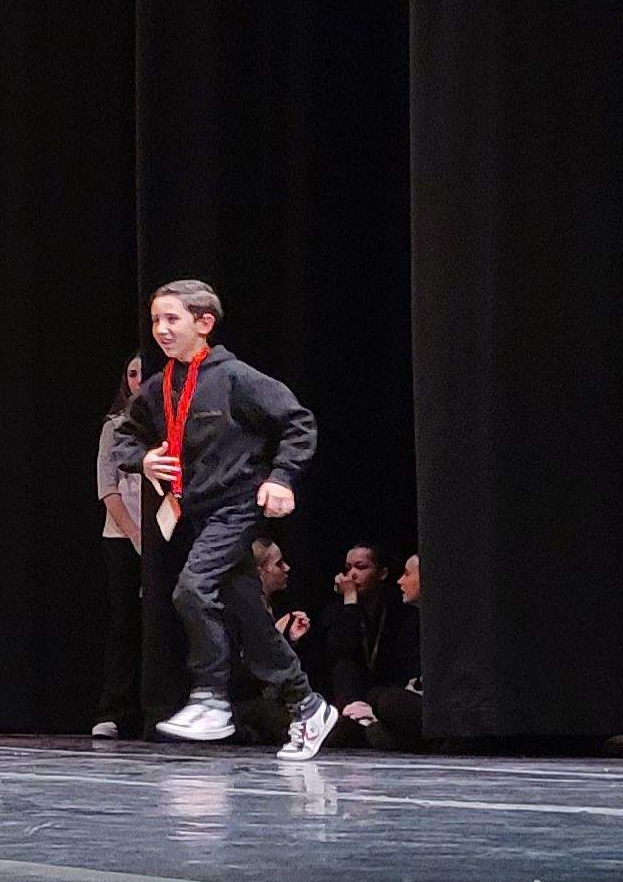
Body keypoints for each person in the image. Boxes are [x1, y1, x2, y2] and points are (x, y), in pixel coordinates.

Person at [102, 280, 340, 751]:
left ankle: (210, 697)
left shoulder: (235, 378)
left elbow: (298, 421)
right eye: (156, 320)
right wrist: (144, 458)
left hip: (235, 507)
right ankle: (306, 703)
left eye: (172, 319)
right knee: (250, 615)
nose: (162, 329)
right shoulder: (161, 385)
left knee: (191, 590)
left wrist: (282, 477)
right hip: (197, 514)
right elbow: (126, 435)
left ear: (203, 323)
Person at [89, 353, 151, 738]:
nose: (137, 380)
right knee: (124, 624)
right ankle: (113, 711)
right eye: (131, 373)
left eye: (144, 373)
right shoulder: (115, 426)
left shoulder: (167, 425)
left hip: (164, 536)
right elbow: (107, 488)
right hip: (123, 537)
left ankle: (164, 707)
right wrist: (135, 534)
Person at [319, 547, 424, 754]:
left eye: (361, 567)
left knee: (385, 701)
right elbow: (343, 650)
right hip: (356, 699)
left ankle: (369, 722)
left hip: (392, 693)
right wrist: (349, 601)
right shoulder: (336, 611)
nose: (352, 575)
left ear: (382, 573)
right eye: (348, 568)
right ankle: (358, 718)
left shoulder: (399, 611)